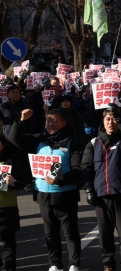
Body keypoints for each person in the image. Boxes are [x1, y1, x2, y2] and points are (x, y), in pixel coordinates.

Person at [10, 108, 83, 271]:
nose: (49, 124)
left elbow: (78, 170)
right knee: (51, 234)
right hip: (44, 196)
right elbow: (14, 139)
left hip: (66, 195)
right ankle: (55, 264)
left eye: (53, 121)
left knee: (70, 233)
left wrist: (61, 179)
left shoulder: (72, 142)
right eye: (47, 120)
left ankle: (74, 264)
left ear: (63, 123)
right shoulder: (38, 140)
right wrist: (20, 121)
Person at [81, 104, 121, 271]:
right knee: (104, 235)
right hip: (101, 195)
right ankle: (108, 264)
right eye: (108, 119)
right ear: (103, 121)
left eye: (114, 119)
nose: (111, 122)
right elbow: (86, 168)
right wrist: (88, 189)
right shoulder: (93, 143)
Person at [0, 134, 27, 271]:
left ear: (3, 144)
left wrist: (14, 182)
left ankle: (9, 268)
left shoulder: (12, 159)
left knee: (8, 242)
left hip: (7, 208)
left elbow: (22, 182)